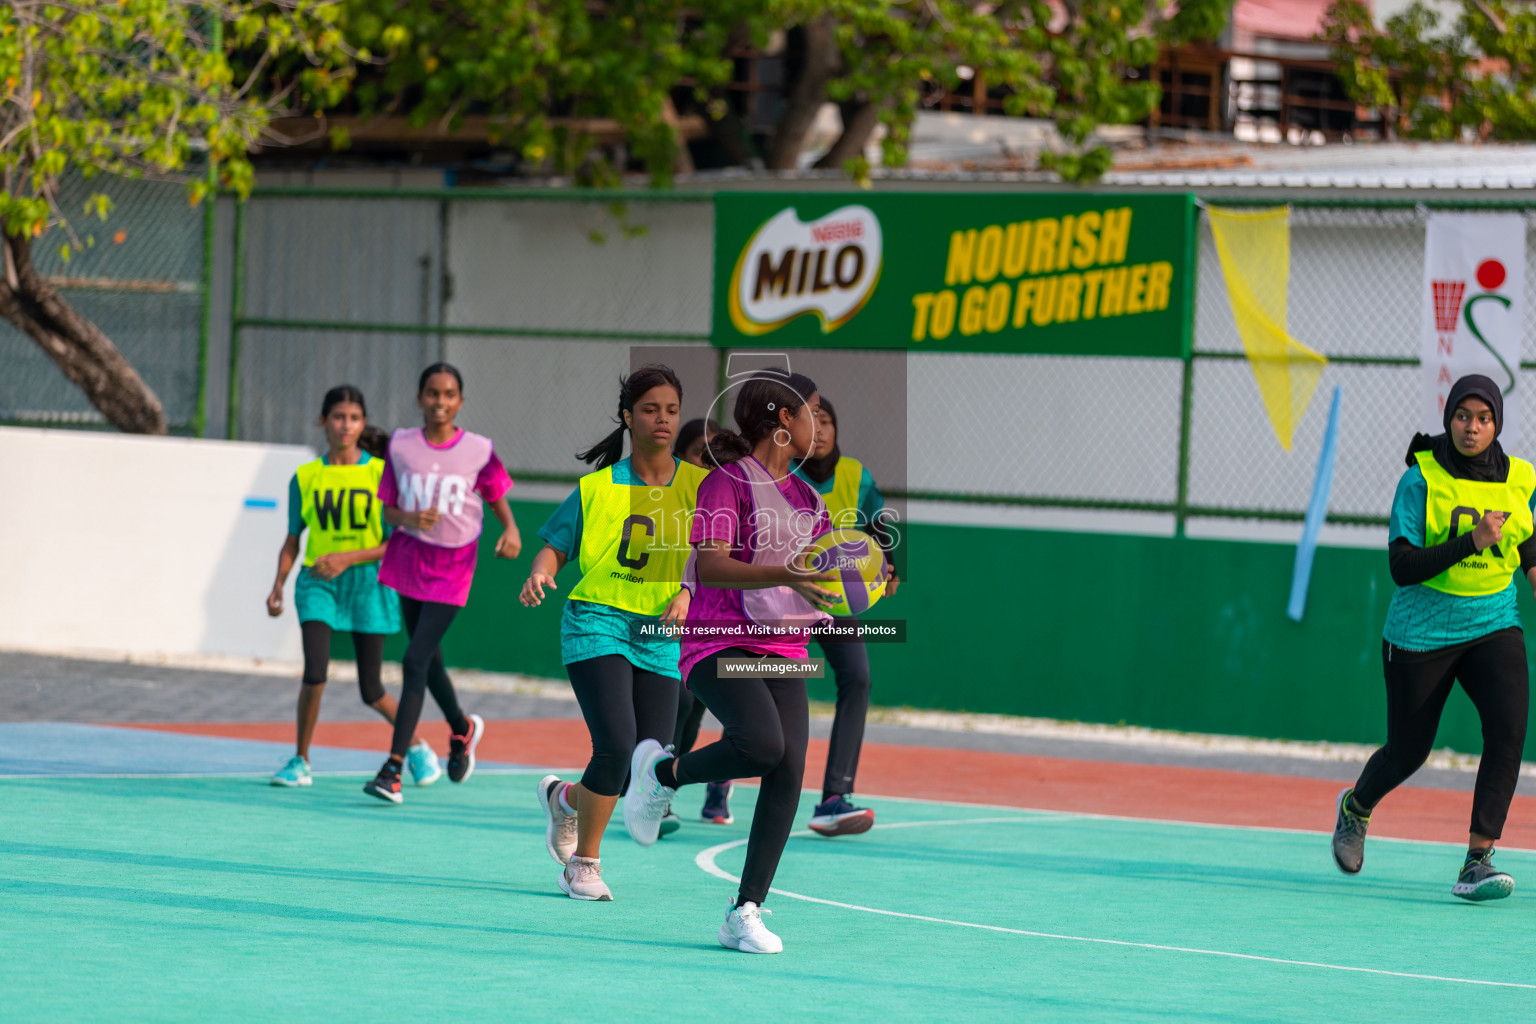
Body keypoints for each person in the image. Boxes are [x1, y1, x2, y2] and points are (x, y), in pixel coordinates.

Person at [622, 368, 840, 954]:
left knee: (789, 770)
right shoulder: (727, 484)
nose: (818, 424)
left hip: (784, 646)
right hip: (718, 640)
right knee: (762, 745)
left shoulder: (808, 498)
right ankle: (660, 774)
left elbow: (808, 573)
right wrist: (786, 572)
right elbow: (713, 564)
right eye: (810, 412)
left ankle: (744, 910)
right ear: (781, 420)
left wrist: (842, 574)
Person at [1331, 374, 1533, 902]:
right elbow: (1402, 566)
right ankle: (1356, 807)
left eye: (1483, 418)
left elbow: (1528, 551)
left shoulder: (1518, 479)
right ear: (1449, 419)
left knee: (1508, 730)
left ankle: (1477, 860)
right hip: (1421, 632)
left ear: (1497, 424)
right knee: (1408, 751)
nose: (1473, 427)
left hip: (1493, 622)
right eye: (1463, 416)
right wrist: (1472, 540)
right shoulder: (1421, 480)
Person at [524, 366, 706, 900]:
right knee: (615, 745)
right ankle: (584, 864)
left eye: (671, 409)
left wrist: (689, 592)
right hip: (597, 620)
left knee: (641, 763)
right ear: (628, 417)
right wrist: (541, 571)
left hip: (660, 632)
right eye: (651, 409)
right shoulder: (597, 488)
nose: (663, 419)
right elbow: (556, 545)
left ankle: (563, 800)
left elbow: (712, 558)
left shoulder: (700, 487)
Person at [362, 363, 521, 804]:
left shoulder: (477, 450)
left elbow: (495, 494)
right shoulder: (401, 446)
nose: (440, 401)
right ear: (420, 398)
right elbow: (389, 509)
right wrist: (408, 518)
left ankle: (393, 768)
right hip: (410, 558)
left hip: (453, 565)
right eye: (432, 393)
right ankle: (461, 727)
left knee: (413, 661)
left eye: (449, 394)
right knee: (428, 660)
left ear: (460, 402)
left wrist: (511, 529)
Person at [265, 385, 439, 787]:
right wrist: (278, 584)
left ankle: (415, 745)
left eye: (354, 418)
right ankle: (300, 760)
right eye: (339, 417)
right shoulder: (306, 477)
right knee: (315, 670)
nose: (346, 425)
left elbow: (394, 542)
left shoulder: (380, 474)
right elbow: (293, 538)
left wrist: (347, 558)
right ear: (323, 421)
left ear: (363, 423)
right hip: (318, 581)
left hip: (367, 583)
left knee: (372, 689)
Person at [792, 397, 899, 836]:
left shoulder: (857, 476)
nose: (819, 430)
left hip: (835, 604)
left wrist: (891, 567)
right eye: (810, 422)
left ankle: (835, 796)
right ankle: (718, 782)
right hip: (784, 598)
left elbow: (880, 525)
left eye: (827, 421)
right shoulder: (780, 476)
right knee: (754, 682)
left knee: (857, 677)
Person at [669, 416, 734, 826]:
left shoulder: (730, 502)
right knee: (683, 707)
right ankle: (661, 788)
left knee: (728, 711)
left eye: (716, 458)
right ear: (681, 457)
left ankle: (718, 784)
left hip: (721, 620)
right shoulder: (670, 502)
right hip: (676, 618)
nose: (708, 466)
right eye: (699, 455)